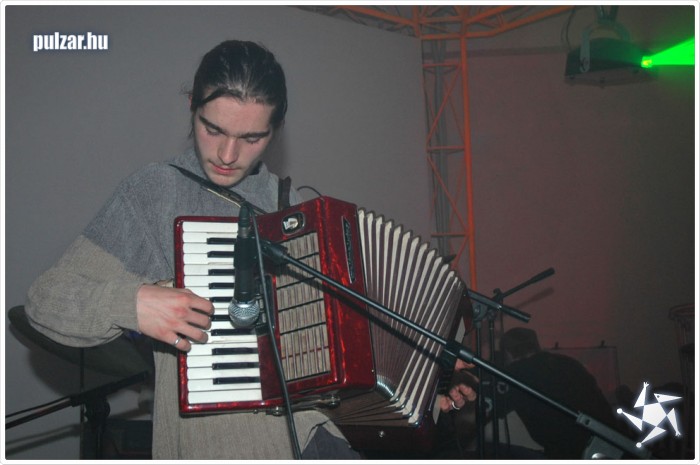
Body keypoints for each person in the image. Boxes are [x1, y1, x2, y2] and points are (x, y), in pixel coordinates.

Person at [24, 39, 476, 460]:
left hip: (320, 442)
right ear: (192, 106)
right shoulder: (155, 193)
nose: (227, 153)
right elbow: (45, 300)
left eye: (251, 138)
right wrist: (133, 303)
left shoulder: (292, 206)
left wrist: (418, 389)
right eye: (213, 128)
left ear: (276, 130)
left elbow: (338, 359)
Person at [497, 327, 618, 459]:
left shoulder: (515, 374)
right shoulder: (569, 363)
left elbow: (493, 408)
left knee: (493, 449)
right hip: (611, 443)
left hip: (570, 452)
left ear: (507, 353)